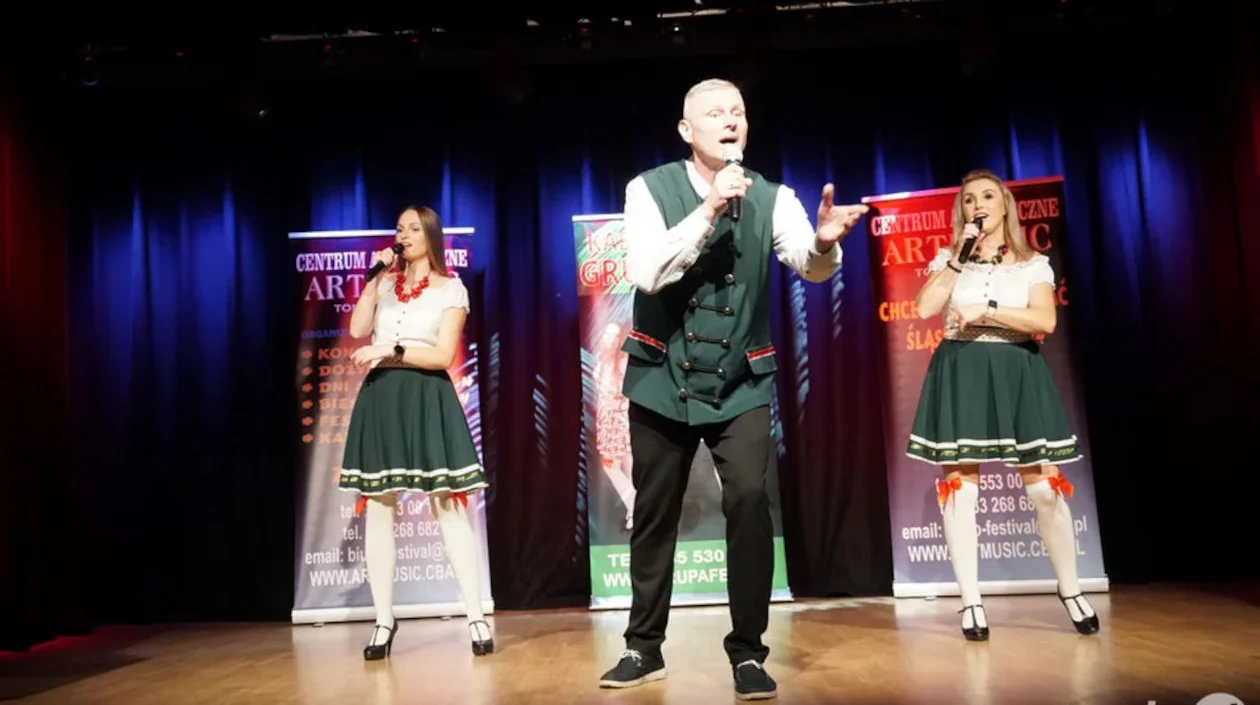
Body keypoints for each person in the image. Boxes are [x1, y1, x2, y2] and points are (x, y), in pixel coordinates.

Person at [597, 78, 868, 701]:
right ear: (686, 130)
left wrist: (823, 245)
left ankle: (748, 652)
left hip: (741, 381)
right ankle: (643, 647)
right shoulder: (647, 189)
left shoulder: (773, 196)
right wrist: (709, 210)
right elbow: (647, 273)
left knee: (748, 501)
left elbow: (808, 264)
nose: (729, 121)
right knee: (655, 512)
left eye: (738, 112)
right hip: (661, 376)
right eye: (715, 113)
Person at [907, 169, 1100, 641]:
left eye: (988, 196)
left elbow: (1044, 321)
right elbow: (925, 309)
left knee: (1044, 488)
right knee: (961, 490)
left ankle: (1072, 590)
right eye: (969, 199)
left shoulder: (1032, 264)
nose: (978, 205)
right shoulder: (949, 259)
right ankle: (971, 602)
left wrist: (989, 310)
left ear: (1005, 206)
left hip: (1017, 370)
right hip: (962, 369)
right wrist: (958, 260)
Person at [339, 205, 494, 661]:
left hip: (427, 396)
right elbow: (357, 328)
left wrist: (391, 348)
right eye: (399, 229)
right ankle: (384, 620)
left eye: (412, 229)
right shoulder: (385, 284)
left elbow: (443, 356)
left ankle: (475, 615)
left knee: (447, 504)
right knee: (379, 507)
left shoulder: (451, 289)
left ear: (430, 236)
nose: (403, 235)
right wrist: (373, 280)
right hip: (382, 398)